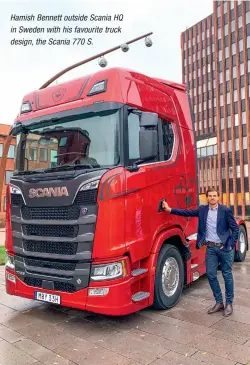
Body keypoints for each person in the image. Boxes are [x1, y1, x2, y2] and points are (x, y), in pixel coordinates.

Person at [162, 188, 239, 317]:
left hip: (224, 248)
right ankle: (219, 302)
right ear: (207, 198)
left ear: (218, 197)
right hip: (210, 249)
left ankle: (229, 303)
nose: (213, 198)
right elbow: (187, 212)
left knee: (227, 275)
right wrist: (170, 210)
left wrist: (230, 245)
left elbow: (235, 229)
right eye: (210, 196)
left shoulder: (225, 211)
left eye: (215, 195)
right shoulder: (203, 210)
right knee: (210, 274)